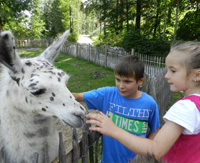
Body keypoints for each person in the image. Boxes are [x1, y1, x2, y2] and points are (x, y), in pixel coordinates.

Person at [86, 41, 200, 163]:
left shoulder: (186, 107)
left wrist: (113, 130)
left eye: (173, 71)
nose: (166, 75)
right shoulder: (196, 104)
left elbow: (156, 149)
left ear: (197, 75)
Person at [73, 55, 160, 163]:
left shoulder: (149, 103)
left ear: (140, 81)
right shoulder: (107, 95)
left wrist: (145, 155)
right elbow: (78, 96)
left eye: (127, 81)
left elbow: (155, 130)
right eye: (118, 79)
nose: (121, 86)